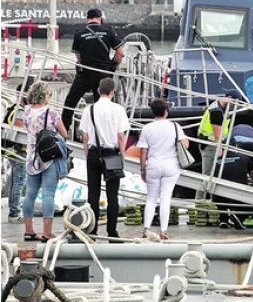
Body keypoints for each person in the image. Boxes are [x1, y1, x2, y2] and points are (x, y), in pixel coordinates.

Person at [80, 77, 130, 239]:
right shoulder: (118, 110)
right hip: (112, 153)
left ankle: (92, 230)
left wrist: (88, 154)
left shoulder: (89, 109)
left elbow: (85, 136)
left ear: (98, 90)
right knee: (112, 195)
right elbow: (121, 136)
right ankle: (112, 232)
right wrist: (122, 155)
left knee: (93, 194)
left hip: (94, 152)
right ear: (112, 92)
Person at [21, 82, 68, 242]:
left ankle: (29, 230)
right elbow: (64, 134)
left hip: (32, 157)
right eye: (48, 94)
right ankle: (47, 232)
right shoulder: (51, 113)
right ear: (44, 95)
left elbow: (25, 110)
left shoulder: (26, 111)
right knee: (48, 194)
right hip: (48, 157)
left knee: (30, 194)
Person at [62, 8, 124, 131]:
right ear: (100, 19)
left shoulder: (79, 34)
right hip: (104, 74)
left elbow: (78, 57)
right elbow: (120, 53)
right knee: (101, 104)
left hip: (85, 73)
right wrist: (112, 66)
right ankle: (102, 132)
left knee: (71, 101)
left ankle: (63, 129)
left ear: (87, 19)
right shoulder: (109, 32)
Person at [138, 99, 188, 240]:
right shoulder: (175, 126)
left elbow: (143, 152)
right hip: (171, 165)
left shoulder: (147, 128)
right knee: (165, 198)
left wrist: (143, 169)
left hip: (153, 165)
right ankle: (163, 231)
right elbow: (185, 144)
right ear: (166, 112)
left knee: (151, 199)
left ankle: (146, 229)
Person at [195, 88, 242, 199]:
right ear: (230, 99)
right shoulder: (216, 111)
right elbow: (217, 136)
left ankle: (211, 200)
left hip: (215, 144)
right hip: (210, 145)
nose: (235, 106)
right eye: (235, 103)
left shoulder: (222, 108)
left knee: (213, 174)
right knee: (207, 175)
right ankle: (199, 202)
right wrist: (220, 149)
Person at [214, 136, 253, 230]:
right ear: (236, 146)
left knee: (219, 191)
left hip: (221, 197)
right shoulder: (244, 158)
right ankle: (239, 217)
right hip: (238, 196)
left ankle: (223, 219)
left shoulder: (216, 161)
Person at [3, 83, 28, 223]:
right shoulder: (19, 111)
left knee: (15, 181)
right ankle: (14, 213)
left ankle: (14, 211)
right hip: (19, 151)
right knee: (19, 182)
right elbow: (21, 133)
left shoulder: (14, 108)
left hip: (13, 151)